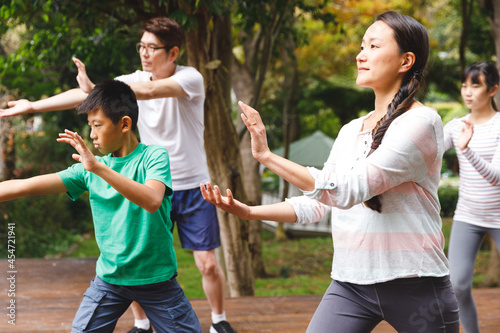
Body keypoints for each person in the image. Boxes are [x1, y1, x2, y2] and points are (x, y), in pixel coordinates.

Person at [201, 11, 460, 333]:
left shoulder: (421, 123)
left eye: (374, 46)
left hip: (416, 285)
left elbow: (346, 190)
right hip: (350, 285)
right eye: (361, 45)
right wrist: (250, 211)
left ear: (406, 61)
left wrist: (266, 156)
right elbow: (321, 202)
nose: (360, 55)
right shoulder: (351, 130)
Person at [0, 17, 235, 333]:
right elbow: (97, 102)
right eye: (141, 46)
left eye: (152, 47)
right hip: (112, 272)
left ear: (173, 52)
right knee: (130, 246)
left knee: (202, 262)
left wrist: (97, 163)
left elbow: (143, 94)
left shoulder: (188, 80)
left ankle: (218, 321)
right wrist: (32, 107)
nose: (145, 53)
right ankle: (141, 324)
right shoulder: (91, 164)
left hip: (188, 186)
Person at [0, 79, 201, 333]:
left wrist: (98, 168)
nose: (92, 135)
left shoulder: (153, 157)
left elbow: (152, 200)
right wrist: (95, 168)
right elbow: (24, 186)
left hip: (158, 281)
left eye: (98, 126)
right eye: (90, 126)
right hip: (110, 281)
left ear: (125, 124)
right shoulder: (88, 170)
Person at [443, 62, 500, 333]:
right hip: (468, 215)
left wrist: (466, 150)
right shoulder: (455, 126)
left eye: (475, 85)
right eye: (465, 85)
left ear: (493, 90)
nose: (468, 92)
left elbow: (496, 177)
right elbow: (426, 150)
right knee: (458, 285)